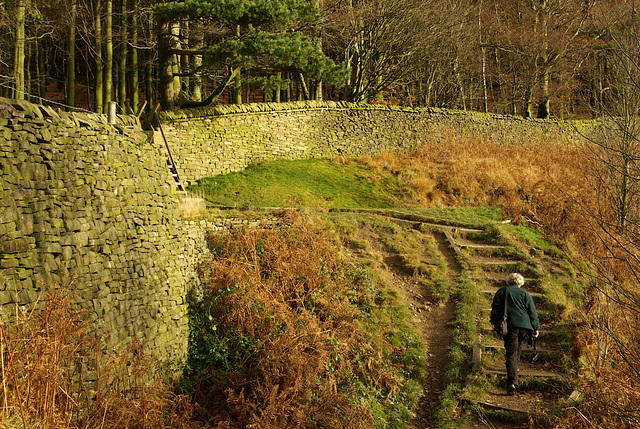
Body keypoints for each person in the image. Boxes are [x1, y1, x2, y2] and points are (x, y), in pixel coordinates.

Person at [490, 272, 540, 395]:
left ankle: (512, 382)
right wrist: (535, 328)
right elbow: (532, 312)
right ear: (520, 283)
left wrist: (494, 322)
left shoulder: (502, 292)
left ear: (509, 282)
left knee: (511, 352)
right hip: (524, 326)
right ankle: (514, 372)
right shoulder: (525, 294)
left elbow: (495, 308)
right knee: (517, 349)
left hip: (510, 325)